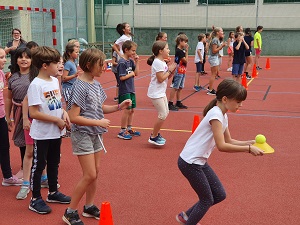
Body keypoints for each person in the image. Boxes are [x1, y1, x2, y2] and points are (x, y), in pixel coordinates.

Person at [176, 78, 264, 225]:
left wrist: (249, 142)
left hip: (199, 161)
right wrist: (248, 149)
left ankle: (185, 216)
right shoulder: (216, 115)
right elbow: (222, 146)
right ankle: (188, 220)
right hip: (190, 162)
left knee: (219, 194)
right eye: (238, 102)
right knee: (207, 200)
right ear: (225, 99)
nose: (240, 105)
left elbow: (229, 140)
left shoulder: (223, 114)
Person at [62, 48, 132, 225]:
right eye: (101, 65)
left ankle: (89, 206)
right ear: (88, 65)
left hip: (95, 134)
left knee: (95, 173)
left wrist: (119, 107)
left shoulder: (96, 84)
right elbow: (73, 116)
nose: (104, 68)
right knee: (89, 174)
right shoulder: (79, 86)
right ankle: (70, 212)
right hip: (83, 134)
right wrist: (98, 123)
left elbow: (100, 108)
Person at [27, 46, 71, 214]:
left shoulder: (54, 81)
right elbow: (34, 113)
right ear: (45, 65)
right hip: (43, 133)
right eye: (56, 63)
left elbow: (56, 103)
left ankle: (53, 192)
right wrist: (56, 120)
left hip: (55, 131)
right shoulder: (35, 85)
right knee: (39, 165)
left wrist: (64, 113)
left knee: (54, 162)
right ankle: (35, 198)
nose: (59, 66)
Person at [5, 48, 38, 180]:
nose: (24, 60)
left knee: (36, 142)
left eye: (27, 57)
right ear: (16, 60)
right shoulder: (13, 77)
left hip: (34, 112)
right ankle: (25, 168)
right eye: (20, 57)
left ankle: (39, 169)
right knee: (22, 141)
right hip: (18, 112)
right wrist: (8, 117)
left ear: (31, 60)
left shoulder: (36, 76)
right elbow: (8, 98)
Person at [0, 47, 23, 186]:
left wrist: (7, 117)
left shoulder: (2, 73)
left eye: (4, 57)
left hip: (1, 116)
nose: (4, 60)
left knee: (4, 145)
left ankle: (7, 176)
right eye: (1, 57)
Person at [146, 41, 177, 146]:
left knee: (166, 112)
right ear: (160, 51)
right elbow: (160, 79)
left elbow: (165, 78)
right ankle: (153, 136)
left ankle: (155, 134)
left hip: (161, 92)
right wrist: (170, 70)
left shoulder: (162, 62)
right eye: (167, 48)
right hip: (155, 93)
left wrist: (171, 72)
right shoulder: (157, 62)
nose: (169, 50)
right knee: (162, 114)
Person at [117, 40, 140, 140]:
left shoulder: (130, 61)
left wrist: (137, 62)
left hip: (131, 89)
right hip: (124, 89)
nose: (134, 53)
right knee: (127, 110)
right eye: (133, 51)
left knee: (132, 110)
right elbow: (121, 78)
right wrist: (131, 74)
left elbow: (137, 73)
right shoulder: (122, 62)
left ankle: (129, 128)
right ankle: (122, 130)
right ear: (126, 50)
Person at [168, 34, 189, 111]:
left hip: (183, 70)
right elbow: (186, 60)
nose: (186, 44)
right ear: (180, 41)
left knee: (180, 87)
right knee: (175, 87)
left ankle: (178, 102)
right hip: (179, 70)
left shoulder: (181, 51)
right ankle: (170, 103)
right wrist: (187, 52)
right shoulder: (179, 51)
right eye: (185, 42)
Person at [207, 27, 226, 95]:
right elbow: (214, 50)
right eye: (221, 31)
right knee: (213, 74)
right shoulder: (215, 40)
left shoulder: (216, 39)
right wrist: (222, 46)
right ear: (218, 32)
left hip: (214, 57)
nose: (222, 32)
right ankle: (210, 90)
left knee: (214, 74)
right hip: (213, 57)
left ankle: (210, 87)